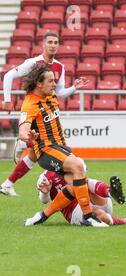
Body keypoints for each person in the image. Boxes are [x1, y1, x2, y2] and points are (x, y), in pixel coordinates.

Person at [0, 31, 88, 196]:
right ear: (43, 44)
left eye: (56, 42)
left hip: (45, 112)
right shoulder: (33, 63)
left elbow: (60, 93)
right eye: (50, 42)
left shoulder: (60, 67)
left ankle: (7, 184)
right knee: (39, 151)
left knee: (34, 154)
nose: (53, 45)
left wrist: (74, 88)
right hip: (33, 111)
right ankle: (23, 143)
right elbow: (9, 75)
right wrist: (6, 99)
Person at [18, 64, 101, 227]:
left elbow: (61, 93)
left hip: (61, 148)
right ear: (38, 84)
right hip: (46, 151)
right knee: (78, 166)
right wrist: (28, 135)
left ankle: (41, 216)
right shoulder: (30, 104)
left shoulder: (51, 95)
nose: (54, 84)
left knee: (75, 183)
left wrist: (74, 88)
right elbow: (23, 129)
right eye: (50, 81)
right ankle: (88, 216)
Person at [25, 170, 126, 227]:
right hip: (74, 212)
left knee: (82, 183)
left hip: (98, 201)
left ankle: (111, 193)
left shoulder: (73, 163)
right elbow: (44, 200)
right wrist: (46, 192)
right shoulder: (45, 176)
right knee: (98, 213)